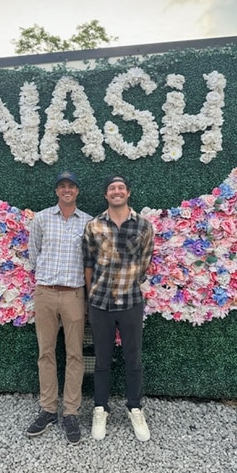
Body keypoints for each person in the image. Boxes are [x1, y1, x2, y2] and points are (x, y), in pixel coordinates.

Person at [83, 175, 154, 442]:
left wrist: (129, 281)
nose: (117, 191)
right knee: (102, 360)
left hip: (131, 302)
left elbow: (145, 262)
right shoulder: (94, 226)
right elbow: (88, 263)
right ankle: (100, 408)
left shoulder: (144, 226)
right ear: (106, 195)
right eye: (112, 188)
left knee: (133, 359)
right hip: (100, 303)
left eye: (121, 188)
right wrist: (90, 296)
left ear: (128, 193)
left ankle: (135, 408)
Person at [26, 171, 93, 445]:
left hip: (74, 294)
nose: (67, 190)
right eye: (62, 186)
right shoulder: (41, 218)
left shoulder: (88, 222)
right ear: (57, 191)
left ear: (77, 191)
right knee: (46, 352)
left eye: (71, 186)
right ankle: (48, 409)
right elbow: (34, 253)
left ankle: (72, 413)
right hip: (45, 293)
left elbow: (90, 259)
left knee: (75, 354)